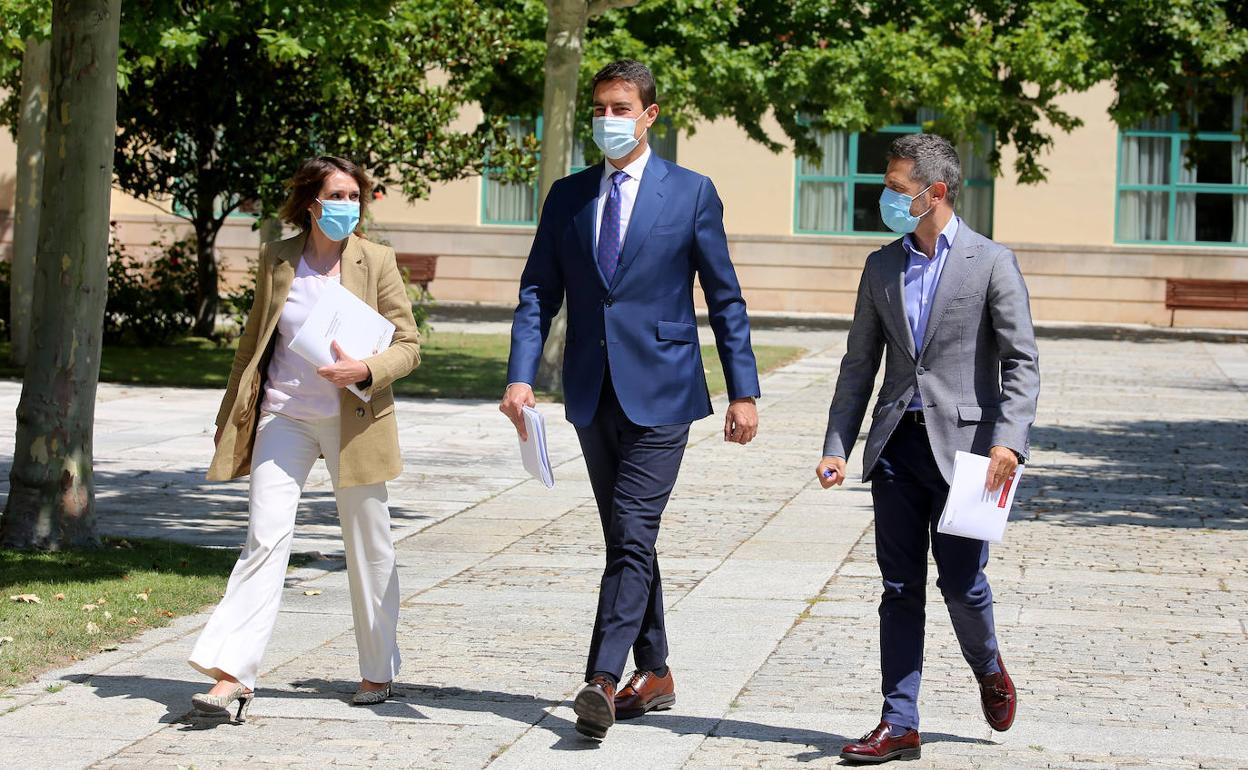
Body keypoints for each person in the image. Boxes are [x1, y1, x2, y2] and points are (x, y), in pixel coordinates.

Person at [500, 59, 761, 740]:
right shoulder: (568, 196)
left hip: (666, 387)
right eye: (599, 109)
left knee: (633, 531)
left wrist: (743, 391)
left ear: (650, 115)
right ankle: (658, 671)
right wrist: (520, 376)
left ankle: (601, 679)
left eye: (621, 108)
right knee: (627, 536)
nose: (608, 120)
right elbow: (537, 293)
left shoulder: (692, 192)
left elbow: (725, 298)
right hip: (591, 389)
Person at [815, 133, 1039, 764]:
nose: (885, 198)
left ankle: (988, 666)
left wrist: (1009, 442)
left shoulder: (991, 262)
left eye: (896, 188)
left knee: (963, 585)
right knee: (899, 587)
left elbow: (1021, 361)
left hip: (972, 454)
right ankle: (899, 721)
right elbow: (859, 363)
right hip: (896, 446)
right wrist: (837, 444)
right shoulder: (880, 266)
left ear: (934, 192)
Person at [189, 156, 421, 720]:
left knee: (369, 543)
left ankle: (377, 670)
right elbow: (253, 344)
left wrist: (365, 369)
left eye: (354, 196)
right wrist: (227, 414)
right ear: (311, 202)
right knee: (264, 538)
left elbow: (409, 345)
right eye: (336, 195)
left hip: (354, 421)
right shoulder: (278, 257)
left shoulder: (377, 260)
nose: (347, 205)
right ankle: (233, 674)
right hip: (283, 415)